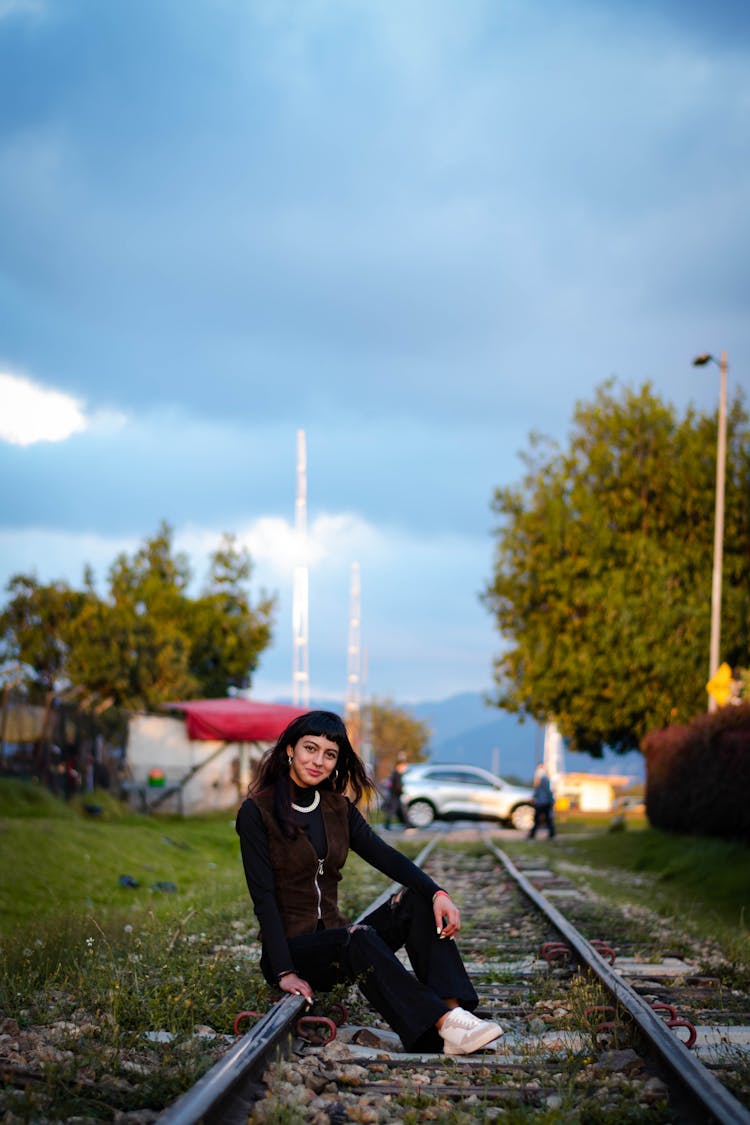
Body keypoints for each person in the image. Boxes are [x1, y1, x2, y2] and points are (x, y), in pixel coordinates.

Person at [236, 710, 503, 1055]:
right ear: (290, 749)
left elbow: (385, 856)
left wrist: (437, 892)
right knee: (358, 938)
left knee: (416, 901)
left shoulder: (337, 808)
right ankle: (439, 1023)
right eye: (310, 749)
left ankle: (454, 1014)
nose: (318, 761)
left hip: (338, 943)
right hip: (294, 952)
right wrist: (284, 970)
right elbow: (264, 898)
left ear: (337, 761)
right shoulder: (257, 812)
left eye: (329, 754)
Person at [383, 751, 410, 830]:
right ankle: (406, 825)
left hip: (395, 795)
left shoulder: (396, 774)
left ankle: (407, 824)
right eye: (404, 766)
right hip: (396, 795)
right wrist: (402, 792)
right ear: (400, 766)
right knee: (394, 810)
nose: (404, 768)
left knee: (400, 810)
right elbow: (397, 786)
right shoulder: (397, 774)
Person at [528, 764, 556, 839]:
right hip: (542, 802)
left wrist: (551, 801)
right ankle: (550, 834)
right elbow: (538, 791)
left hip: (544, 803)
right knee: (542, 819)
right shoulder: (541, 779)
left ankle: (550, 834)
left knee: (543, 819)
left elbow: (548, 791)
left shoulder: (544, 779)